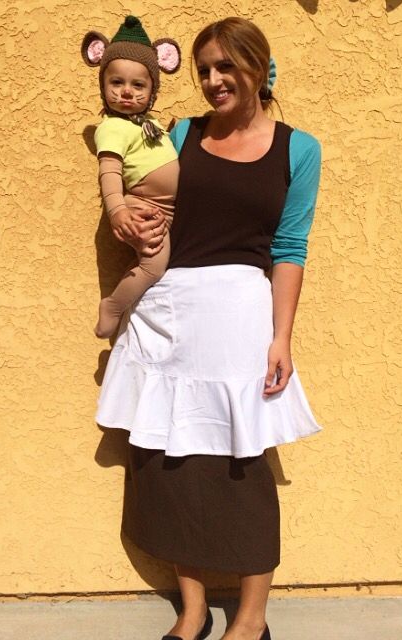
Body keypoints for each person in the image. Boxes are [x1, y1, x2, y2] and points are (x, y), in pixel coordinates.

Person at [95, 17, 322, 640]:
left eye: (227, 67)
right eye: (204, 70)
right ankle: (192, 612)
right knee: (165, 461)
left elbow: (290, 246)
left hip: (238, 317)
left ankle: (250, 620)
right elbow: (150, 196)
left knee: (242, 466)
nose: (214, 81)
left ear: (259, 67)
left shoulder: (298, 149)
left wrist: (281, 336)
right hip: (168, 311)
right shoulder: (177, 133)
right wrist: (132, 220)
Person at [81, 16, 181, 338]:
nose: (127, 92)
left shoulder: (147, 123)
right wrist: (118, 211)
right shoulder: (112, 127)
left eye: (138, 85)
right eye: (116, 83)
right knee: (155, 264)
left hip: (168, 209)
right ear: (103, 86)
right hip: (145, 207)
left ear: (153, 90)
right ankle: (113, 304)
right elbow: (109, 172)